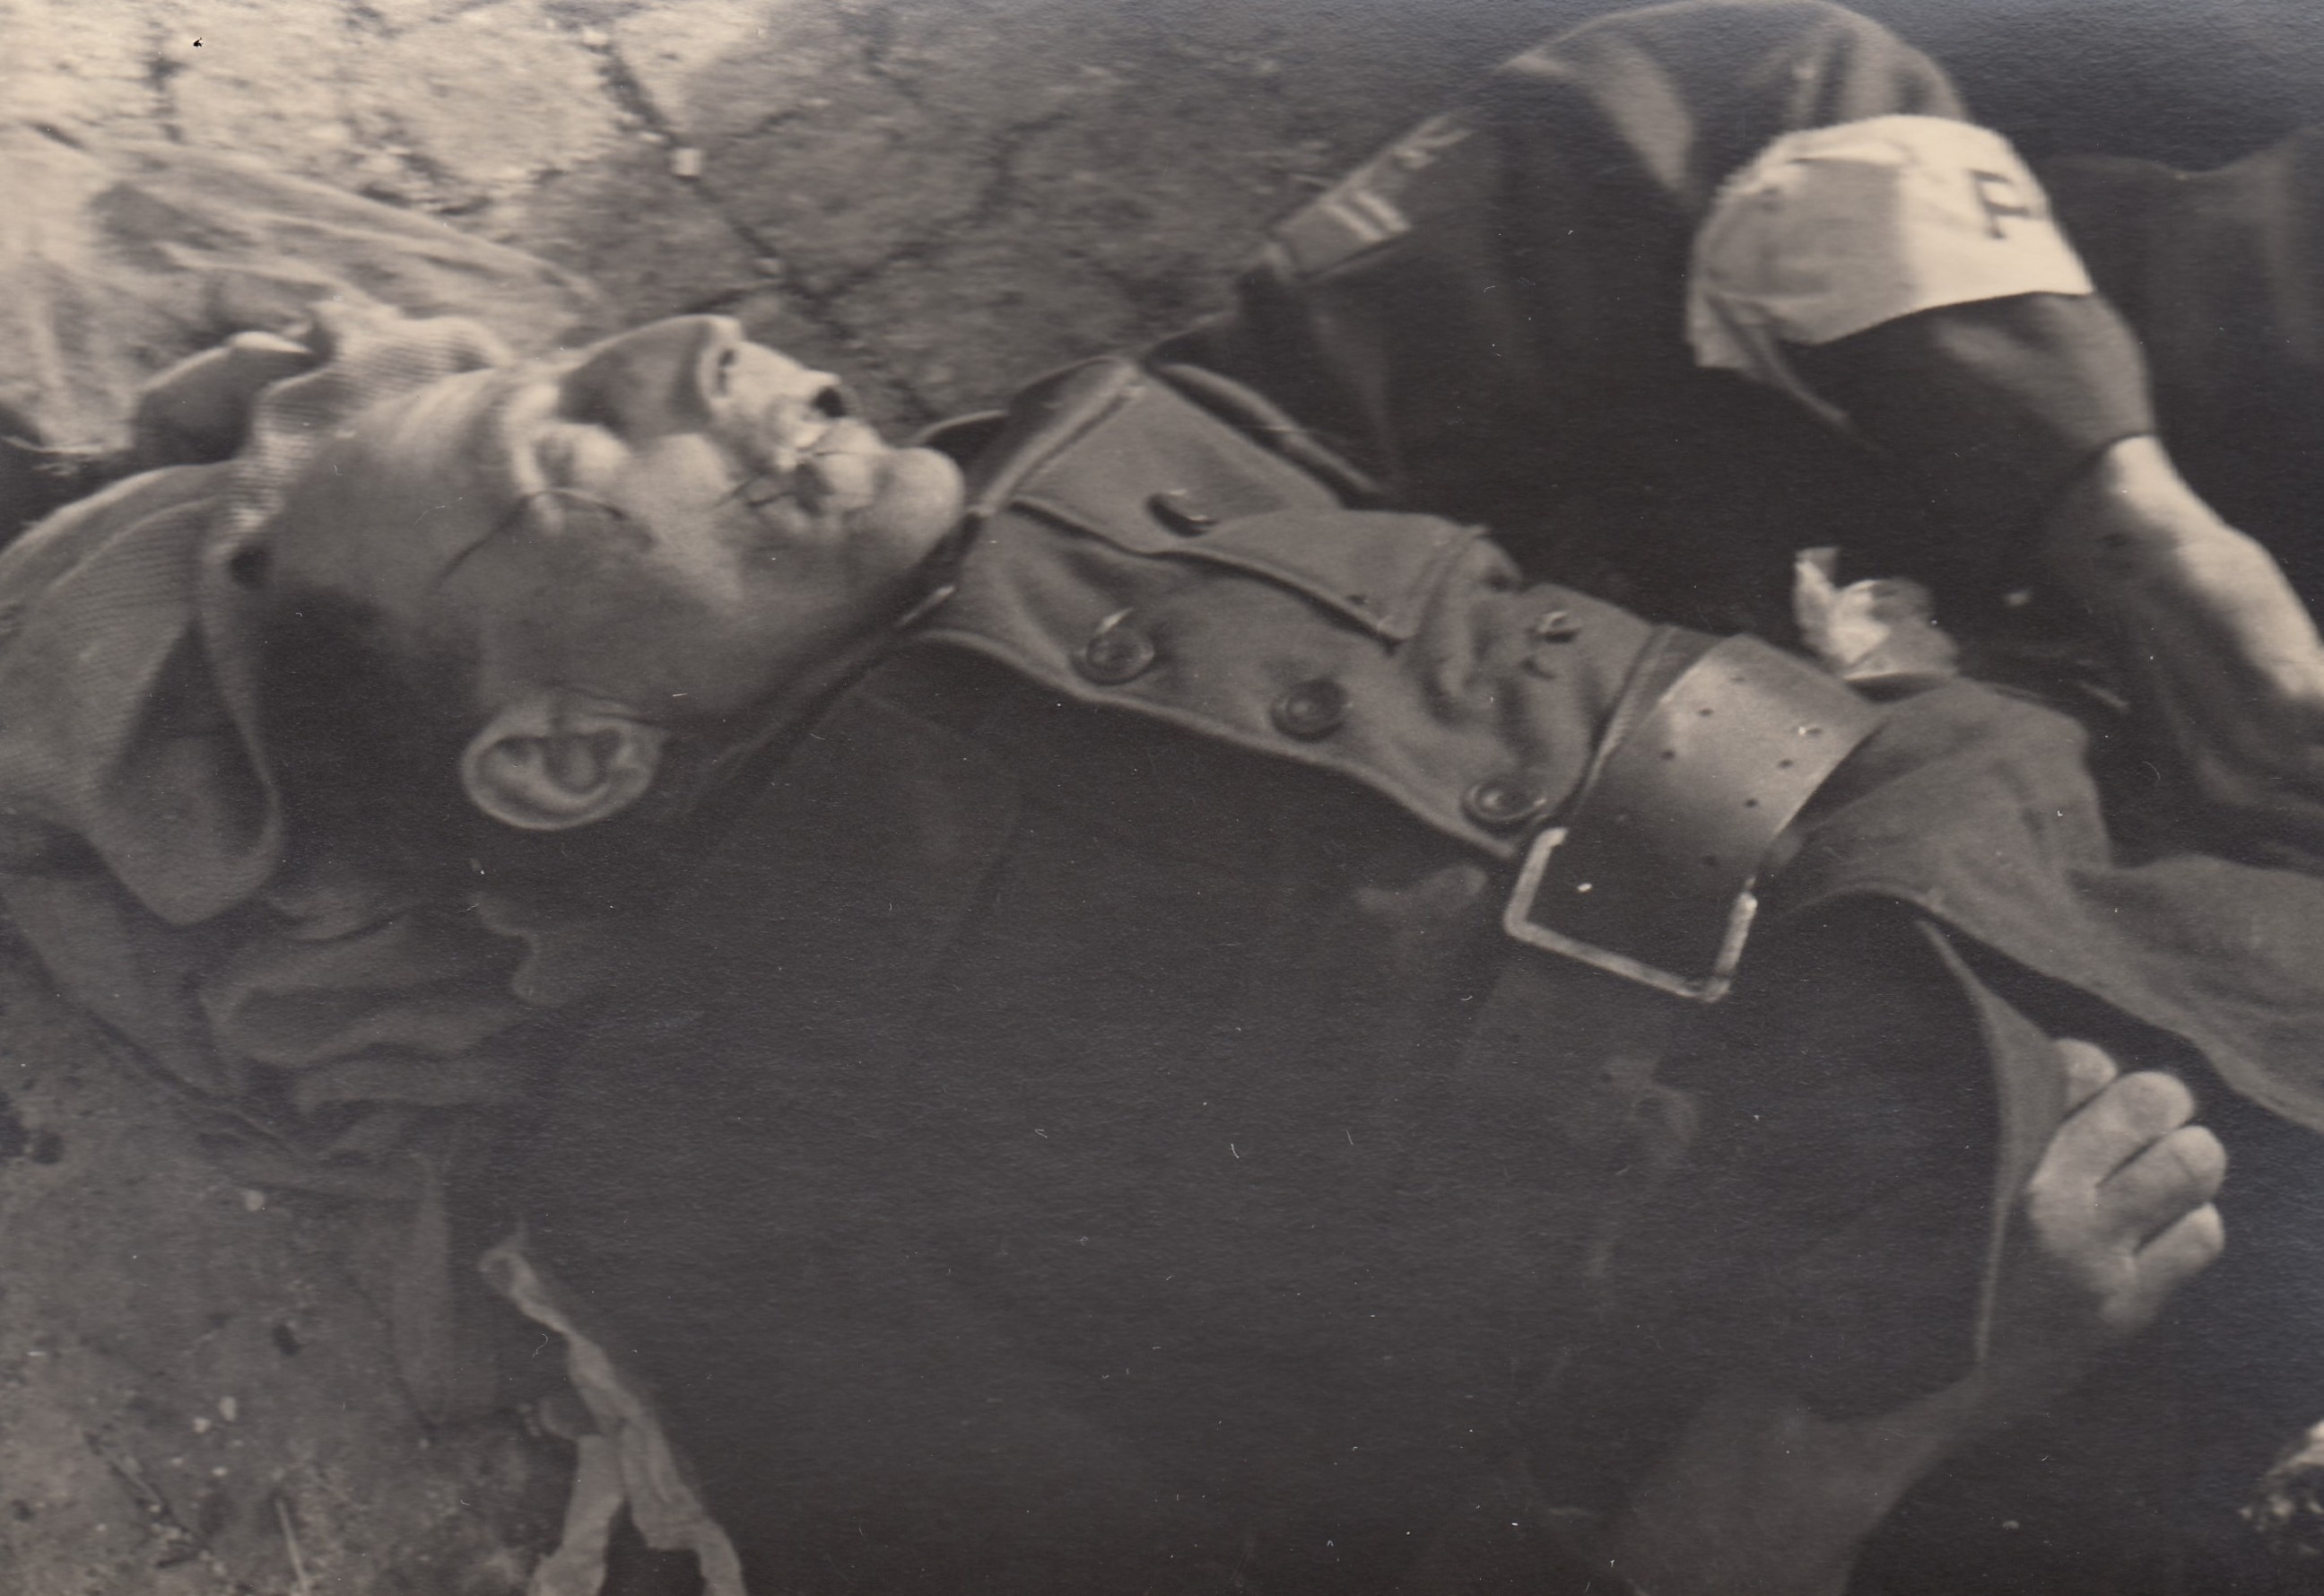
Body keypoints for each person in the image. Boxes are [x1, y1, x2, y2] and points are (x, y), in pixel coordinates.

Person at [0, 1, 2297, 1590]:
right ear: (567, 752)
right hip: (2091, 1429)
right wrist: (1813, 1466)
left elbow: (1721, 87)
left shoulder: (1157, 439)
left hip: (2209, 896)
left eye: (606, 350)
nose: (691, 343)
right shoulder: (705, 1168)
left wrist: (2126, 520)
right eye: (580, 446)